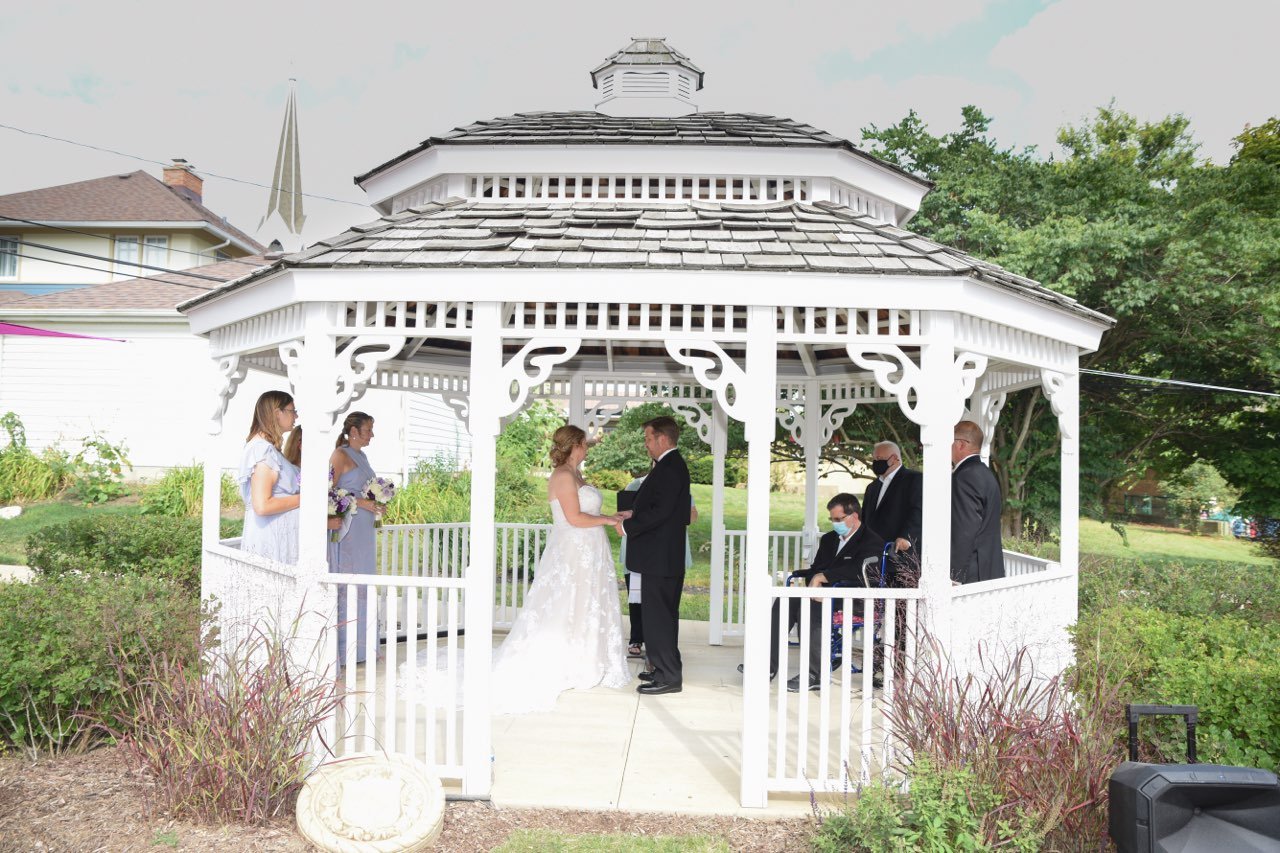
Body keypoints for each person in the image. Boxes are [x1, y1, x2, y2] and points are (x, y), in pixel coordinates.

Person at [485, 424, 631, 713]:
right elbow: (575, 518)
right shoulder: (563, 476)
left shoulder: (577, 473)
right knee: (568, 602)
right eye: (584, 443)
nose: (587, 447)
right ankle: (566, 660)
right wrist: (609, 520)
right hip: (572, 551)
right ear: (574, 445)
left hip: (589, 550)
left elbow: (586, 513)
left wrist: (611, 517)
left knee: (585, 603)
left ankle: (585, 656)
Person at [738, 494, 884, 692]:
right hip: (824, 593)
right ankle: (766, 667)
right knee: (785, 600)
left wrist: (824, 577)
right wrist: (818, 580)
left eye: (839, 519)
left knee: (814, 605)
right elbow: (816, 569)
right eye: (832, 519)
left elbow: (861, 572)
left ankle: (815, 674)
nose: (835, 523)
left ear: (854, 516)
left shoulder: (872, 540)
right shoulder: (829, 539)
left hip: (854, 597)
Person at [616, 416, 692, 696]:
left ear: (662, 438)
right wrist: (634, 513)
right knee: (660, 617)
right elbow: (667, 509)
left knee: (660, 618)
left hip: (660, 559)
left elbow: (661, 512)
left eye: (648, 439)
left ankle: (670, 677)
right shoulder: (669, 466)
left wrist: (627, 526)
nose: (646, 445)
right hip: (661, 557)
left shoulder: (670, 467)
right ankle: (662, 669)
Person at [620, 464, 697, 662]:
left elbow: (692, 515)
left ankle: (663, 647)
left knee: (664, 603)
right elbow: (623, 513)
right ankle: (636, 638)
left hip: (665, 550)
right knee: (635, 597)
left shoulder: (678, 488)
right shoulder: (634, 485)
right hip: (638, 546)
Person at [328, 412, 385, 664]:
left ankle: (362, 647)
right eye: (368, 429)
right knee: (349, 581)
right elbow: (326, 491)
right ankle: (343, 649)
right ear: (353, 430)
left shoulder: (362, 456)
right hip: (349, 530)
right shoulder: (340, 455)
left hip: (364, 531)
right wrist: (360, 502)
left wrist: (376, 503)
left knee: (364, 581)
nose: (372, 434)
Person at [238, 391, 301, 563]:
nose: (296, 415)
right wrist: (304, 499)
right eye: (292, 410)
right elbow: (262, 505)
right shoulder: (262, 450)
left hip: (279, 535)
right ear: (277, 413)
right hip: (271, 538)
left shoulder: (269, 449)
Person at [951, 420, 1005, 584]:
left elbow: (964, 530)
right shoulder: (985, 473)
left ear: (960, 444)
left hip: (972, 574)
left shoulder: (965, 476)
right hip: (989, 567)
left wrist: (954, 576)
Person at [862, 440, 922, 579]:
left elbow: (918, 511)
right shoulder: (872, 487)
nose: (876, 462)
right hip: (873, 558)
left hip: (900, 557)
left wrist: (907, 537)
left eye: (880, 459)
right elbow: (865, 518)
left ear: (894, 458)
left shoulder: (914, 480)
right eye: (874, 459)